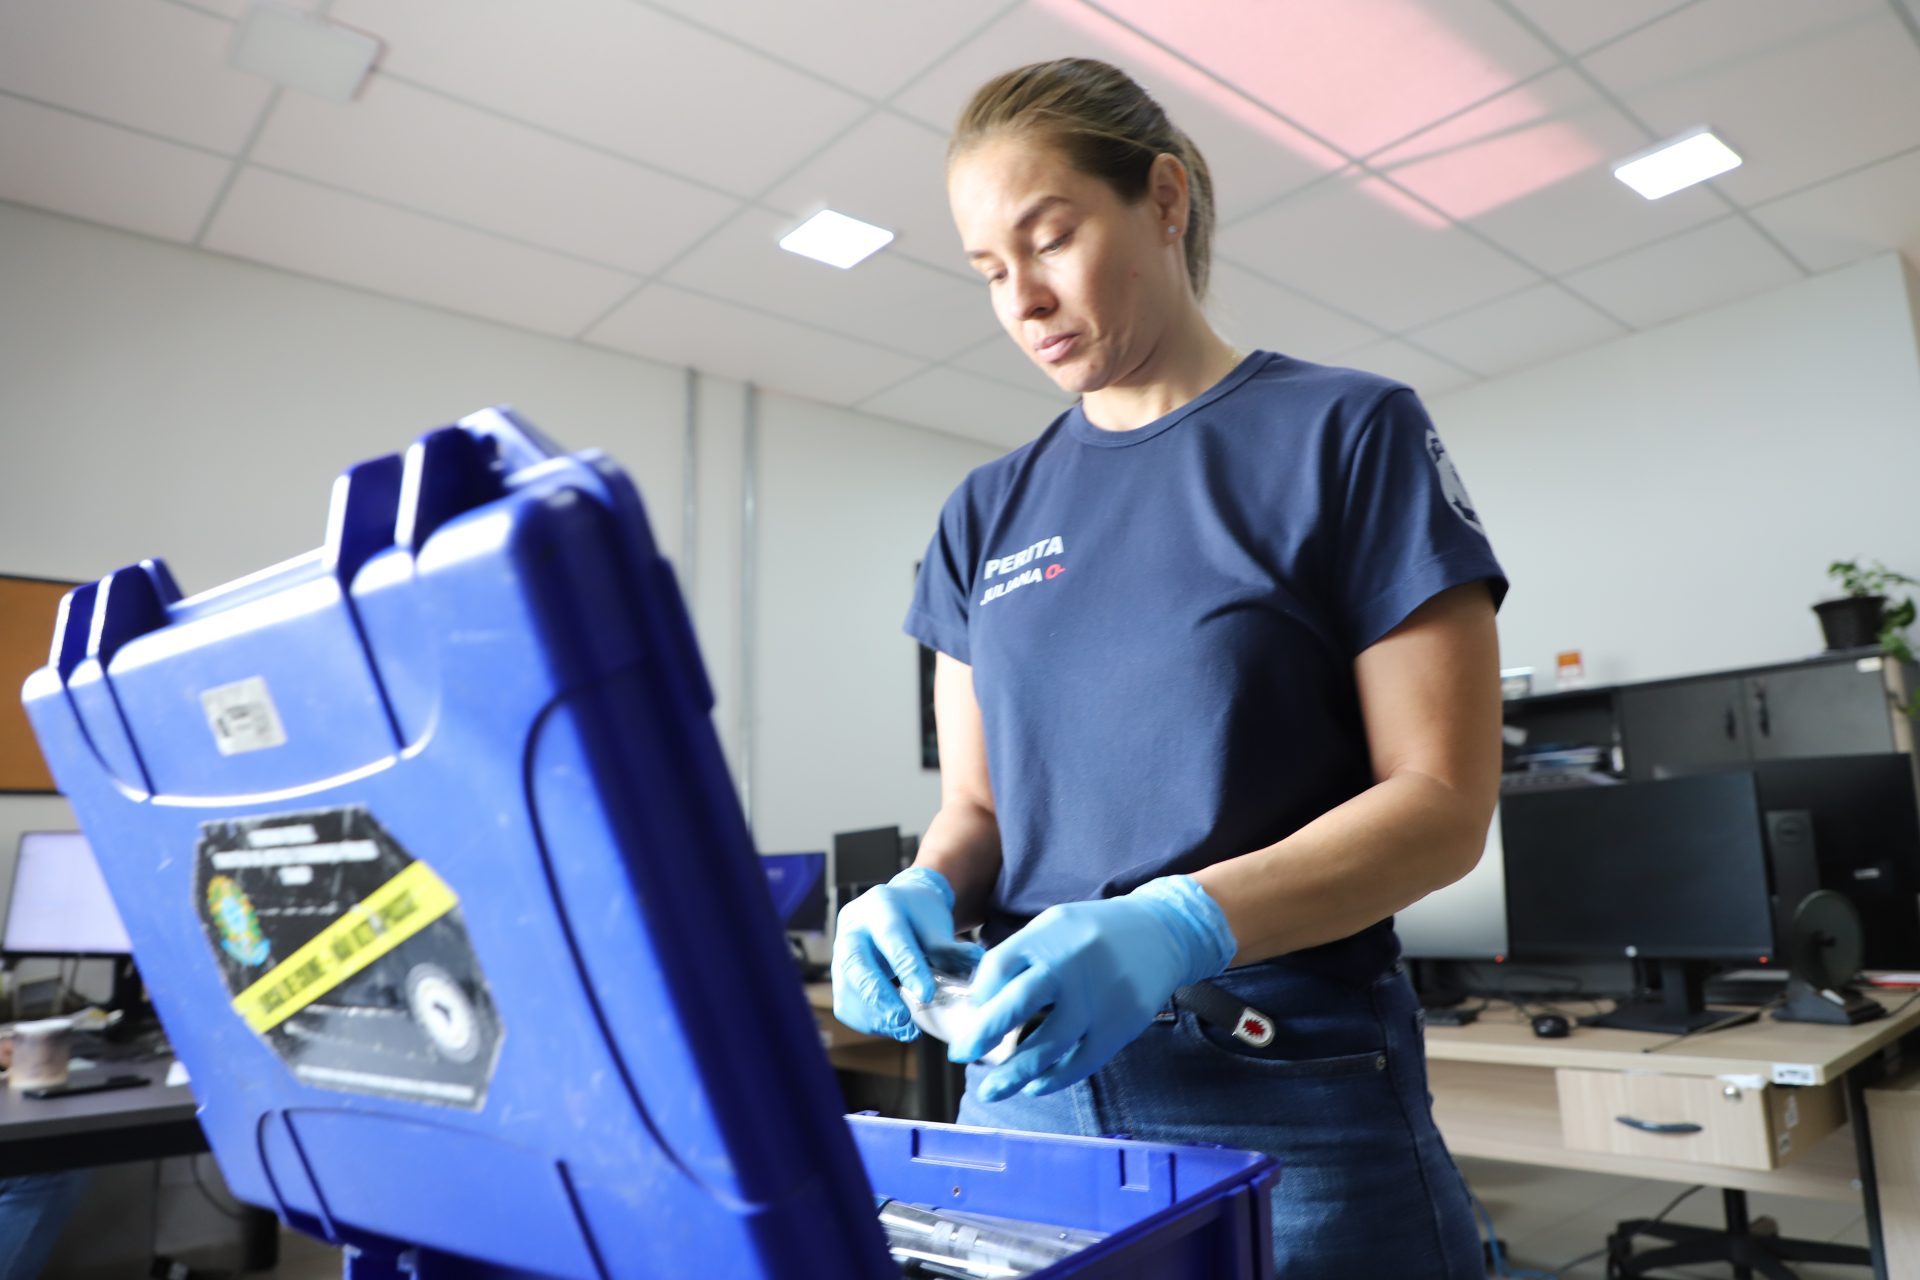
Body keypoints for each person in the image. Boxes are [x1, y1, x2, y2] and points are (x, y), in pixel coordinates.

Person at [832, 57, 1508, 1278]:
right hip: (1026, 1089)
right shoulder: (983, 513)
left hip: (1285, 1082)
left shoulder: (1345, 434)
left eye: (1050, 239)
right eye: (989, 270)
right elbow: (978, 807)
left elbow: (1442, 803)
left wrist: (1180, 921)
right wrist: (921, 891)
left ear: (1163, 198)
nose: (1024, 299)